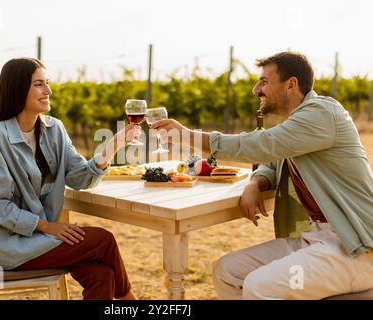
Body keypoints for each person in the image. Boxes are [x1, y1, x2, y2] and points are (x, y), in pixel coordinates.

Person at [152, 51, 373, 299]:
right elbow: (272, 157)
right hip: (317, 237)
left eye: (264, 81)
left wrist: (188, 136)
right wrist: (256, 182)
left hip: (354, 248)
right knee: (227, 271)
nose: (256, 89)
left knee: (259, 285)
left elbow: (261, 145)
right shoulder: (298, 125)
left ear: (291, 84)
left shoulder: (321, 114)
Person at [0, 57, 138, 300]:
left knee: (101, 274)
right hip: (10, 247)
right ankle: (130, 302)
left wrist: (111, 147)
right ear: (18, 89)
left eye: (47, 83)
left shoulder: (54, 129)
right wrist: (48, 226)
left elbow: (80, 178)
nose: (48, 91)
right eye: (39, 84)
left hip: (42, 239)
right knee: (103, 240)